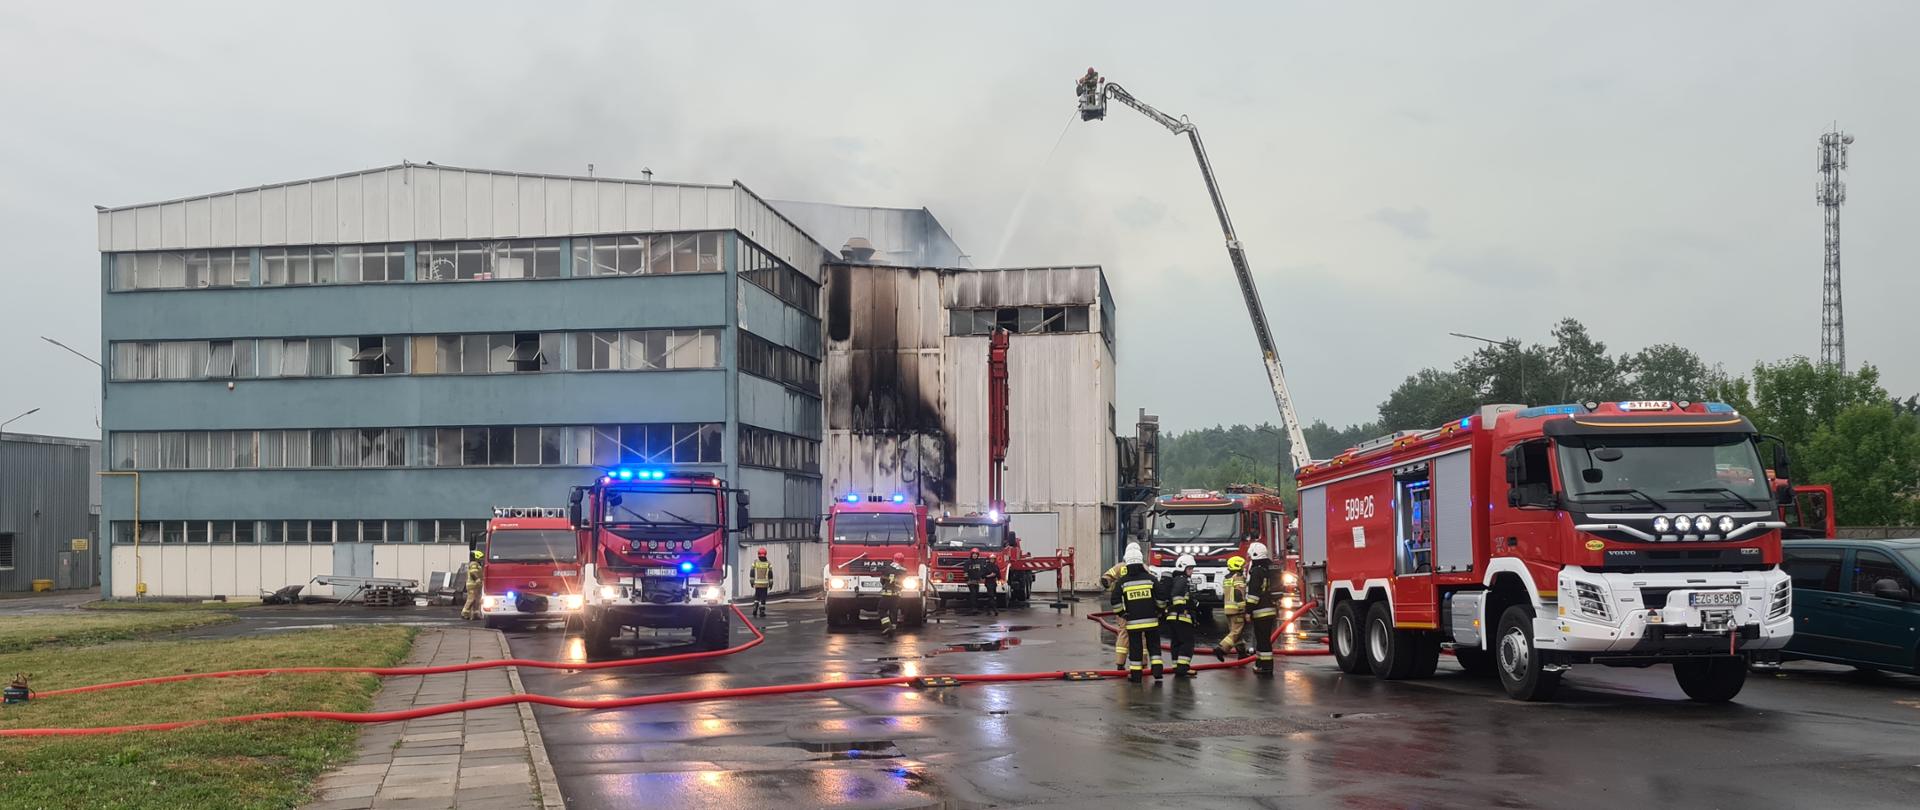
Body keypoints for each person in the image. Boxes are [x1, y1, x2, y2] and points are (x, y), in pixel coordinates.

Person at [1109, 544, 1164, 682]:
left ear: (1126, 563)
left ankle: (1136, 676)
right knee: (1154, 646)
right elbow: (1161, 596)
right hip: (1151, 621)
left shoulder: (1123, 581)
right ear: (1141, 562)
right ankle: (1157, 672)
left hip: (1133, 623)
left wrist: (1121, 613)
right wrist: (1159, 610)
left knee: (1136, 648)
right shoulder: (1151, 579)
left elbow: (1114, 599)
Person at [1159, 554, 1199, 678]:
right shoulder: (1182, 579)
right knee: (1187, 642)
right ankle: (1183, 668)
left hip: (1172, 617)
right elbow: (1177, 596)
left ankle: (1177, 666)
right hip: (1181, 616)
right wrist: (1187, 606)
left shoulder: (1175, 579)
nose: (1191, 571)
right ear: (1182, 567)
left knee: (1176, 642)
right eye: (1190, 568)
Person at [1245, 542, 1279, 675]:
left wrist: (1248, 611)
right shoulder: (1268, 569)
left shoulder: (1256, 571)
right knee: (1262, 640)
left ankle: (1266, 668)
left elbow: (1253, 594)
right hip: (1270, 609)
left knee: (1263, 641)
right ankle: (1260, 664)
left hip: (1260, 611)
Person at [1213, 555, 1250, 661]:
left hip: (1228, 609)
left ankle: (1242, 653)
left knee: (1236, 632)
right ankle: (1221, 649)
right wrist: (1244, 608)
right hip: (1237, 609)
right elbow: (1239, 593)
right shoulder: (1238, 577)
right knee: (1236, 632)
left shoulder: (1227, 578)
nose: (1243, 568)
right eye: (1242, 566)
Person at [1100, 558, 1131, 668]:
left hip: (1123, 606)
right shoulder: (1143, 567)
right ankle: (1143, 663)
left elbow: (1106, 578)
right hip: (1140, 608)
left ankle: (1120, 663)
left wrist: (1109, 585)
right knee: (1141, 635)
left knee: (1123, 633)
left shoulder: (1120, 567)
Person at [878, 552, 908, 636]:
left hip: (887, 594)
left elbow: (882, 581)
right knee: (893, 611)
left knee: (881, 609)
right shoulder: (904, 571)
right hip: (897, 595)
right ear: (902, 561)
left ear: (894, 559)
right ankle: (893, 629)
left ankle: (887, 625)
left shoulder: (887, 569)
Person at [964, 548, 1000, 616]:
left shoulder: (980, 562)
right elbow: (965, 571)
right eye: (973, 554)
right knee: (973, 594)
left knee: (976, 594)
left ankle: (978, 608)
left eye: (976, 554)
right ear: (971, 555)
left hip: (977, 581)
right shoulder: (968, 562)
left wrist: (982, 577)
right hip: (971, 581)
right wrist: (967, 579)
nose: (974, 556)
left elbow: (983, 571)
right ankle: (973, 608)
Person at [749, 548, 775, 617]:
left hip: (757, 584)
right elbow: (770, 574)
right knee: (763, 597)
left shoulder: (755, 562)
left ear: (758, 554)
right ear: (765, 554)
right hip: (765, 584)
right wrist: (771, 583)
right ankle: (762, 611)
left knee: (757, 596)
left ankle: (755, 607)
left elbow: (752, 572)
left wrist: (752, 581)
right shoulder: (768, 563)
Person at [461, 549, 485, 621]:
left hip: (476, 585)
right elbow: (473, 572)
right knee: (471, 599)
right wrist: (477, 579)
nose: (481, 559)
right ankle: (464, 613)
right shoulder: (474, 563)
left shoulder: (476, 564)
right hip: (473, 585)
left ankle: (475, 614)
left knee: (477, 600)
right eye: (480, 558)